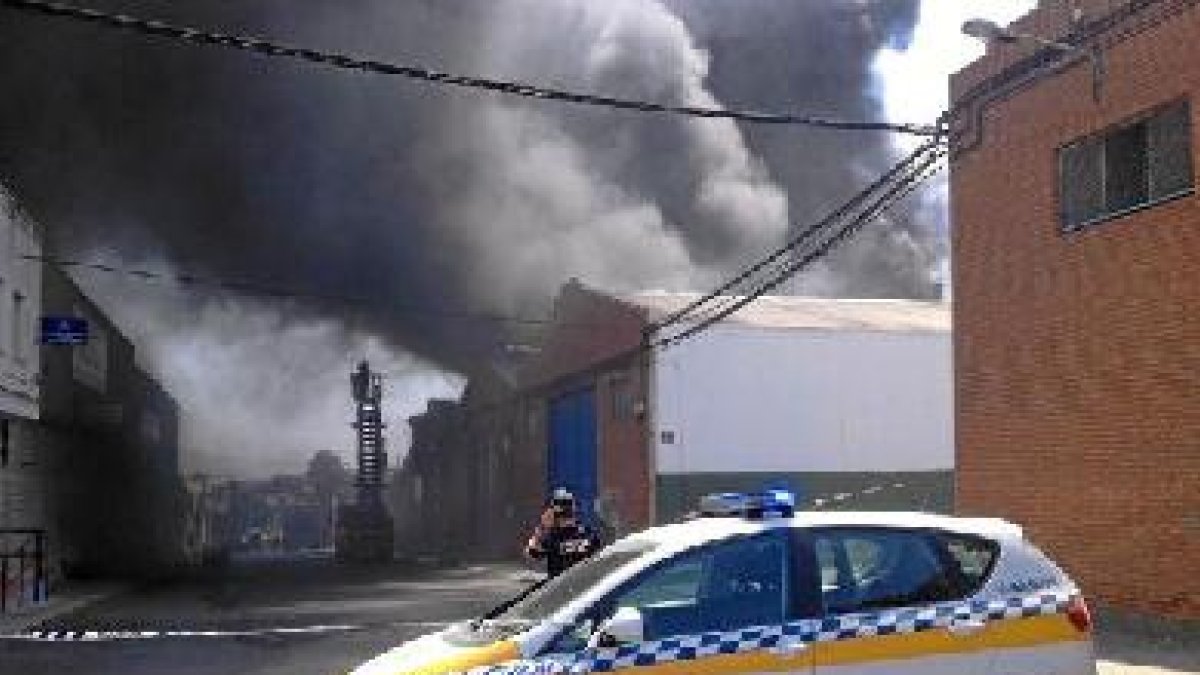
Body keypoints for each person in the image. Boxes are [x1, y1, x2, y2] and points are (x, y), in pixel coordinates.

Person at [523, 488, 600, 577]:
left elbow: (531, 554)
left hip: (561, 588)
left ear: (554, 512)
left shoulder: (551, 537)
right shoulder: (589, 533)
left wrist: (541, 527)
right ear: (573, 509)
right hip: (587, 587)